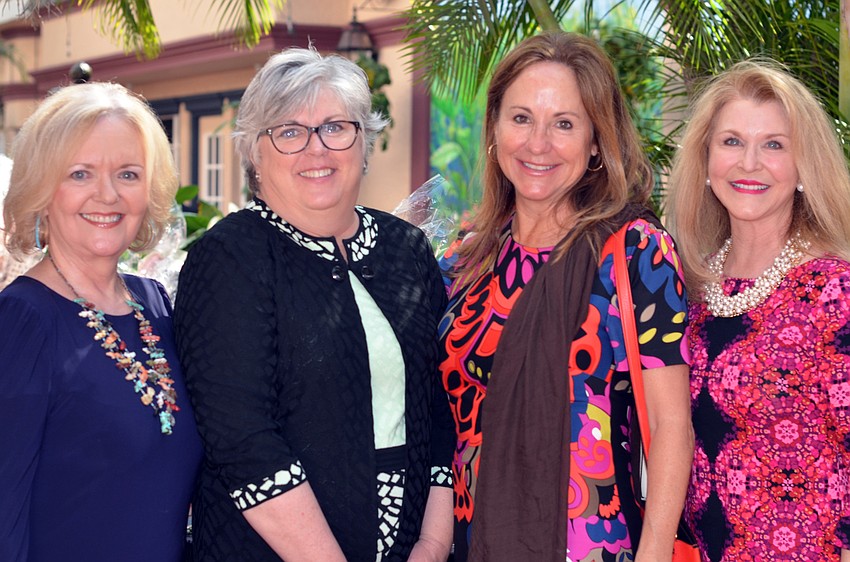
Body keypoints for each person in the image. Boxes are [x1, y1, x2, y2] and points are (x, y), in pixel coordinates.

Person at [173, 47, 455, 562]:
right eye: (289, 132)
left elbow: (439, 411)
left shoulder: (406, 248)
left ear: (364, 141)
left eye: (335, 127)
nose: (316, 149)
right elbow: (242, 442)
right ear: (256, 155)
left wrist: (434, 545)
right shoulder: (229, 257)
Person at [438, 31, 694, 562]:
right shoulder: (462, 264)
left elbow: (672, 425)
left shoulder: (635, 253)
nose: (538, 144)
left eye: (564, 124)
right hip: (474, 542)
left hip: (596, 545)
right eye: (522, 118)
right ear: (494, 128)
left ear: (596, 141)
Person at [0, 82, 202, 561]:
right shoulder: (22, 320)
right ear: (42, 189)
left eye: (128, 174)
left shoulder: (155, 304)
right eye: (80, 173)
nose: (107, 195)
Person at [667, 59, 850, 562]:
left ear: (804, 167)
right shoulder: (691, 287)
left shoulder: (833, 290)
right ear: (705, 162)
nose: (749, 162)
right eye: (731, 142)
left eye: (774, 144)